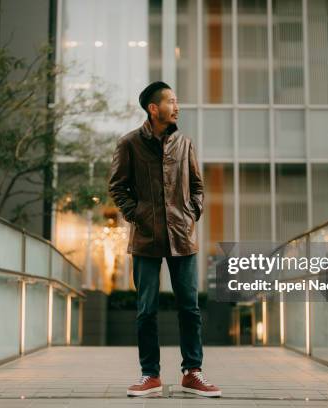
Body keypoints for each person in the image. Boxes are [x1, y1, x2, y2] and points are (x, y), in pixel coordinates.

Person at [108, 81, 221, 398]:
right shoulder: (129, 143)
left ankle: (192, 372)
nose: (177, 105)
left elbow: (198, 187)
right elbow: (117, 187)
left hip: (182, 236)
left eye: (177, 100)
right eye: (172, 101)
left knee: (190, 308)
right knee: (146, 309)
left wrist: (191, 212)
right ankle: (150, 375)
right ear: (153, 108)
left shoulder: (185, 144)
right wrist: (137, 215)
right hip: (145, 237)